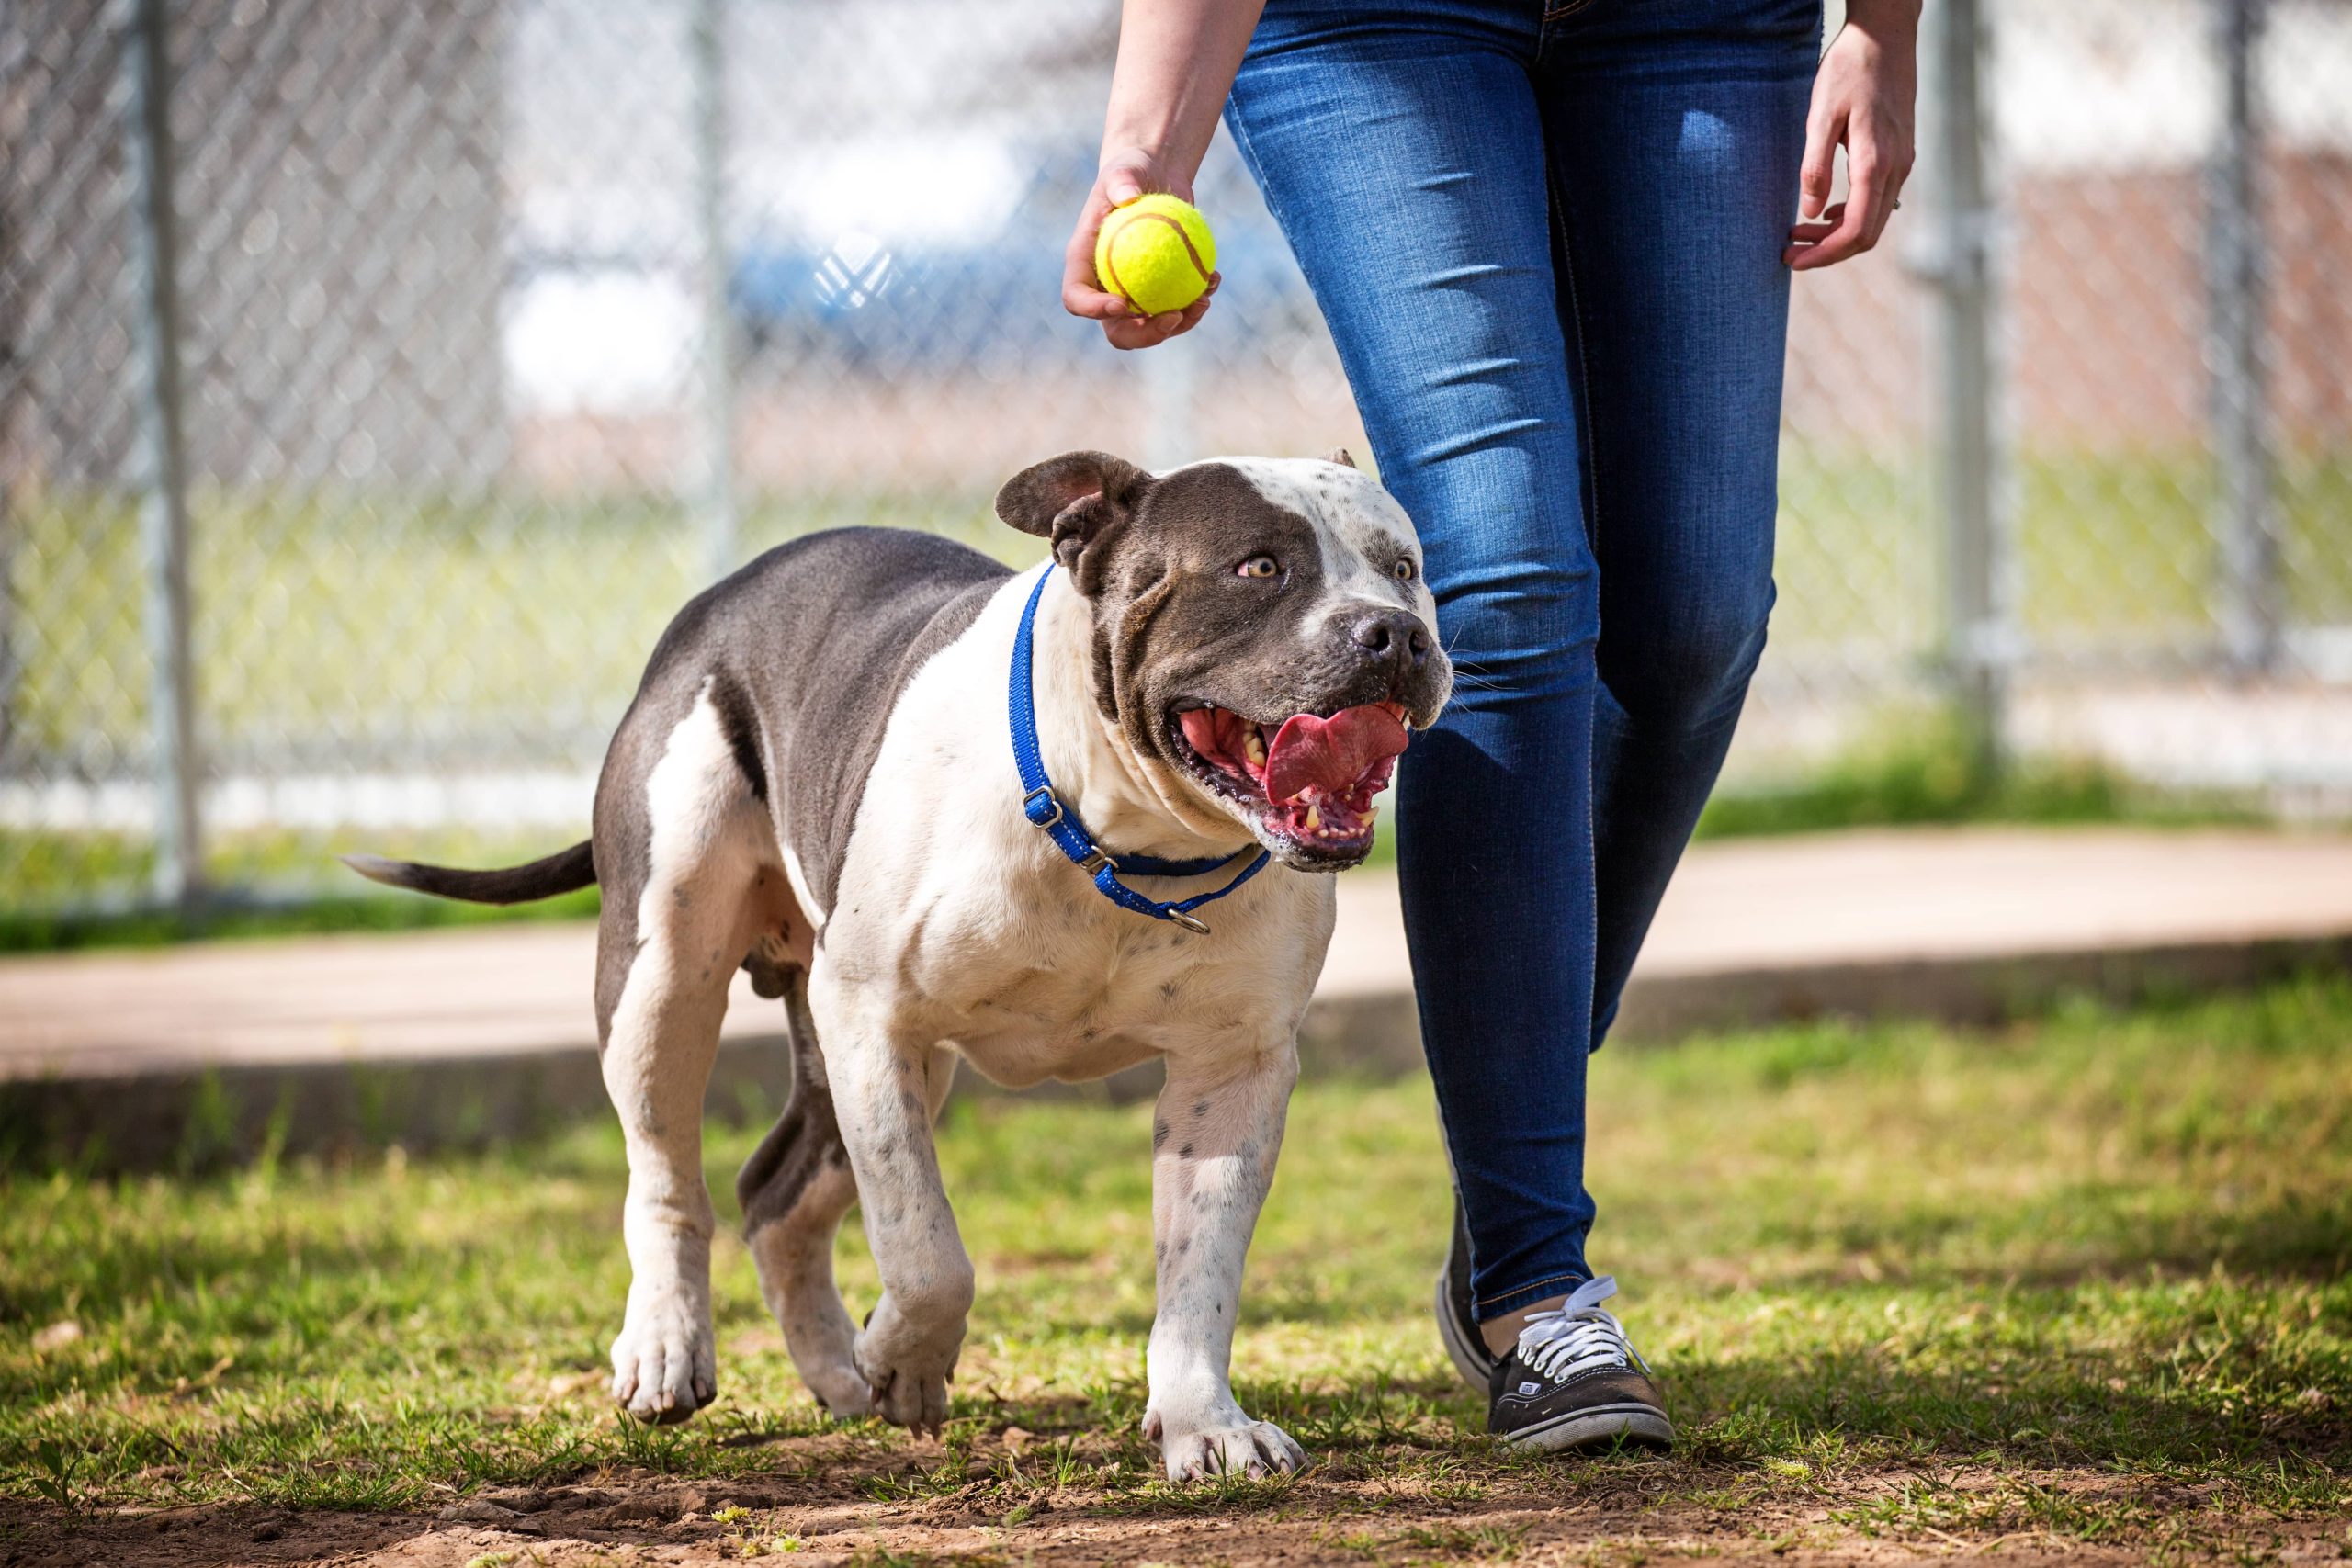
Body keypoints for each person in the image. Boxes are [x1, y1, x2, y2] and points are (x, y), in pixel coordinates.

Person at [1063, 0, 1917, 1451]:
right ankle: (1535, 1282)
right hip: (1376, 23)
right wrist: (1146, 145)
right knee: (1507, 583)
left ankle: (1509, 1149)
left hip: (1703, 20)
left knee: (1697, 614)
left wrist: (1883, 34)